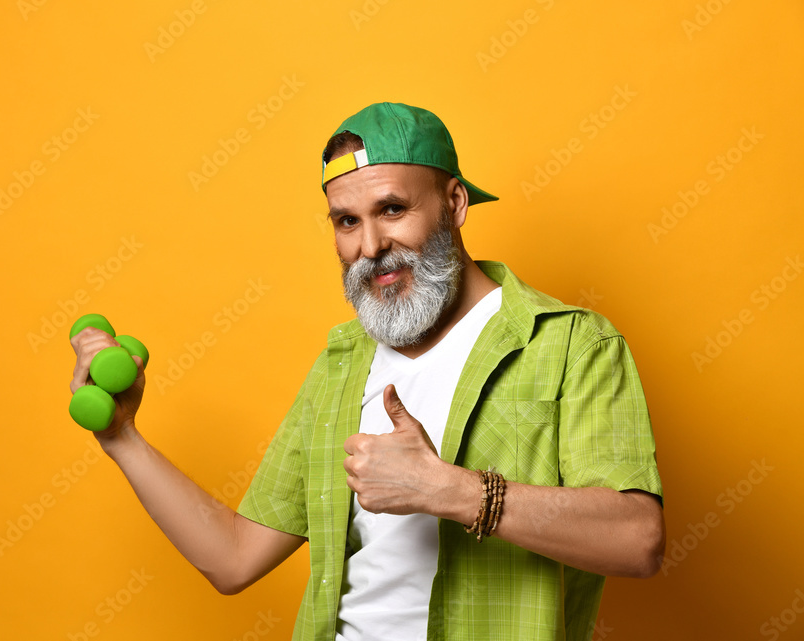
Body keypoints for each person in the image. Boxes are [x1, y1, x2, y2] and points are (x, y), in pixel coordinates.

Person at [69, 102, 665, 641]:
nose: (372, 245)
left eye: (393, 209)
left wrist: (449, 490)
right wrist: (122, 438)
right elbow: (233, 558)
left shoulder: (569, 344)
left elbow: (637, 538)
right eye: (346, 222)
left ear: (454, 204)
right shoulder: (341, 364)